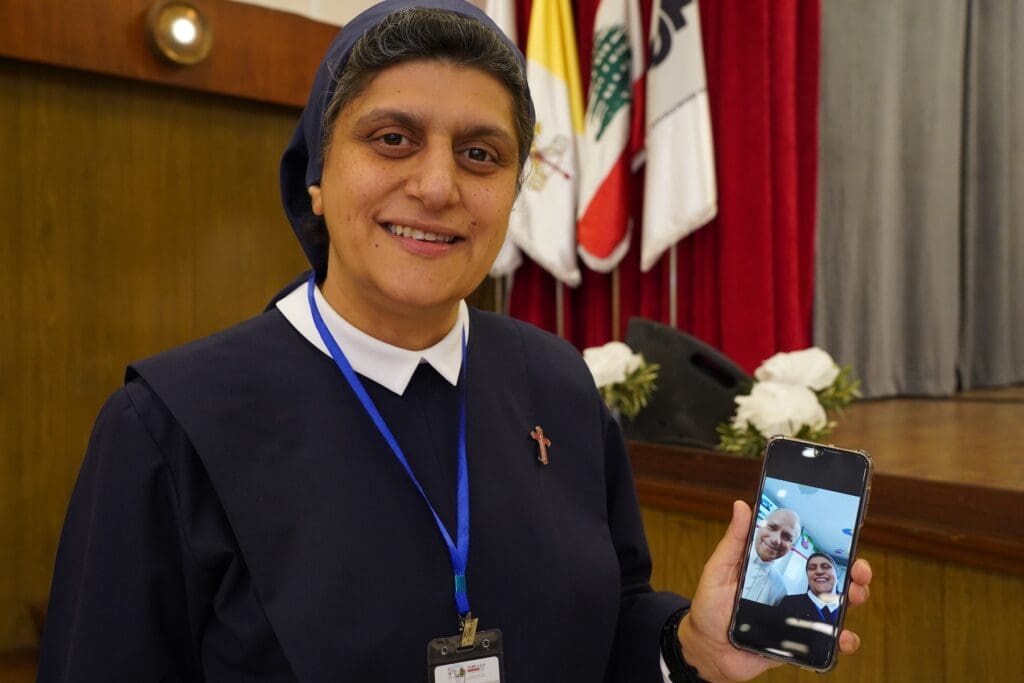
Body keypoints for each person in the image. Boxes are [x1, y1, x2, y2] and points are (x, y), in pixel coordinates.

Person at [37, 1, 872, 681]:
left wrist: (690, 643)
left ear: (511, 190)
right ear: (316, 179)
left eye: (480, 153)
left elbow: (609, 615)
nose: (437, 186)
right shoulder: (167, 427)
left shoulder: (558, 384)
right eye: (391, 138)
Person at [776, 553, 844, 666]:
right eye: (812, 568)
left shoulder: (848, 608)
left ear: (836, 573)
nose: (819, 571)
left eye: (826, 566)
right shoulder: (789, 603)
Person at [740, 508, 801, 606]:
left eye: (787, 537)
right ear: (760, 525)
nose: (775, 539)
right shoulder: (730, 558)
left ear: (792, 547)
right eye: (772, 527)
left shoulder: (781, 591)